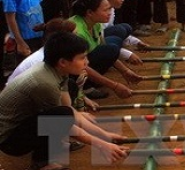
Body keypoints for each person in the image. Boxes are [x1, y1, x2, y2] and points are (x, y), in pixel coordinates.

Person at [0, 32, 129, 170]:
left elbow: (71, 114)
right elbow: (63, 120)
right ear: (62, 62)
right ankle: (41, 163)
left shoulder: (57, 71)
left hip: (24, 124)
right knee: (61, 115)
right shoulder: (45, 83)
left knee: (66, 104)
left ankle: (44, 156)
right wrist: (101, 144)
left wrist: (105, 135)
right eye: (82, 58)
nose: (87, 62)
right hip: (9, 140)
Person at [69, 0, 142, 97]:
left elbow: (102, 45)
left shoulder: (96, 22)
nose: (109, 13)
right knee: (111, 49)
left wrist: (125, 71)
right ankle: (86, 87)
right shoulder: (77, 32)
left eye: (109, 9)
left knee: (113, 44)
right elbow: (81, 66)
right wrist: (114, 86)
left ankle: (93, 81)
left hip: (83, 62)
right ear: (89, 12)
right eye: (105, 10)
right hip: (71, 71)